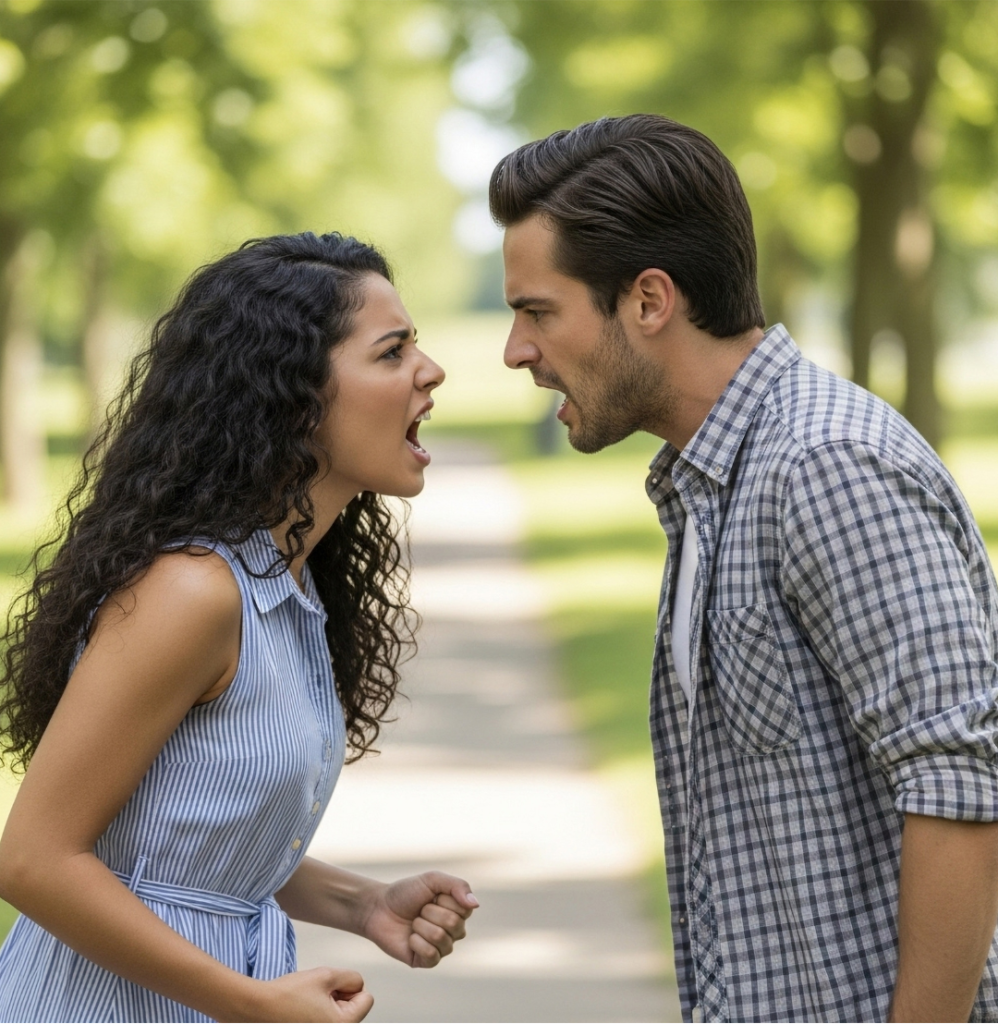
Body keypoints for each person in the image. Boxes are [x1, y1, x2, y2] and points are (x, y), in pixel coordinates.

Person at [490, 114, 998, 1023]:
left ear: (649, 301)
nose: (516, 351)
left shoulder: (824, 466)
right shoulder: (712, 484)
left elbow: (960, 789)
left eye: (538, 312)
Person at [0, 232, 478, 1023]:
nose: (430, 371)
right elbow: (33, 859)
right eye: (392, 352)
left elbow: (193, 841)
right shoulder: (192, 593)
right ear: (295, 396)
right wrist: (250, 1003)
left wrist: (364, 905)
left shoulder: (287, 586)